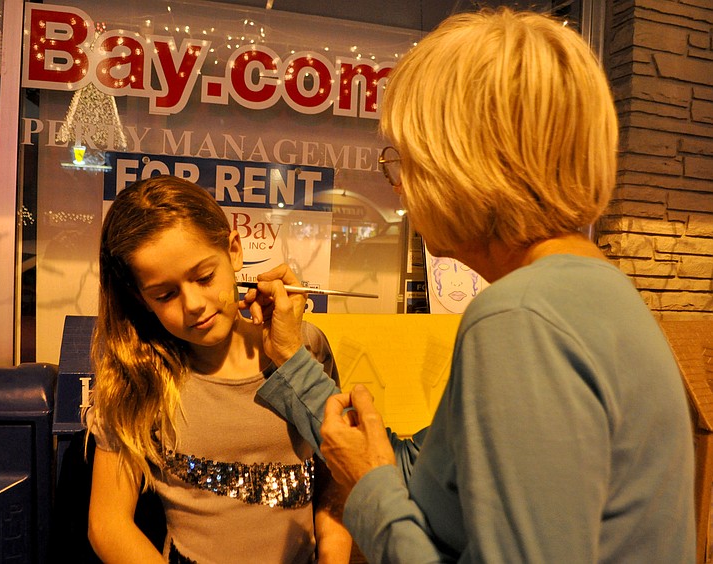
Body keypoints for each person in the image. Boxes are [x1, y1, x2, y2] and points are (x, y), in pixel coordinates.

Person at [243, 8, 695, 564]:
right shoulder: (596, 292)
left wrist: (368, 492)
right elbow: (431, 472)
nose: (400, 189)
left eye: (406, 161)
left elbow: (399, 484)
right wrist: (291, 357)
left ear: (469, 165)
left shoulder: (518, 319)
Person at [85, 175, 352, 563]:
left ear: (234, 251)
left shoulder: (305, 347)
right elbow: (108, 523)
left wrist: (334, 556)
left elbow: (336, 475)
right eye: (165, 294)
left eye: (204, 276)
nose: (192, 303)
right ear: (142, 299)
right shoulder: (138, 374)